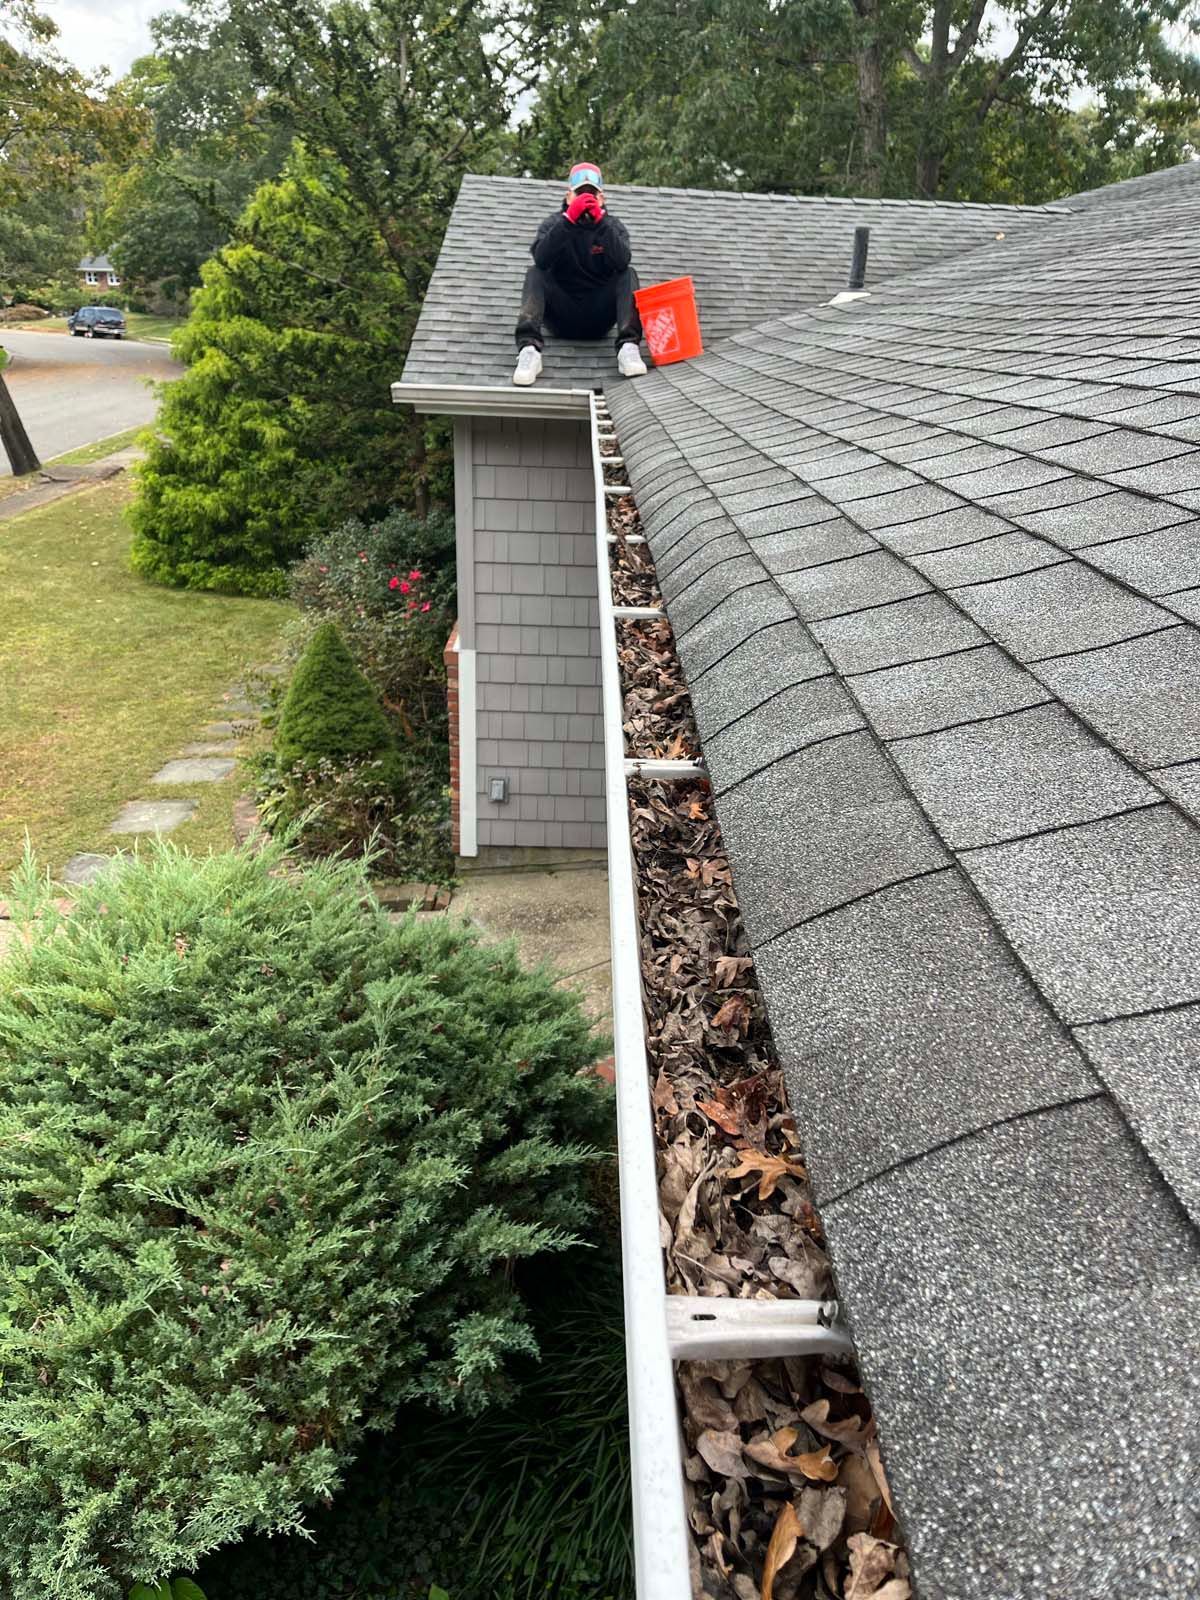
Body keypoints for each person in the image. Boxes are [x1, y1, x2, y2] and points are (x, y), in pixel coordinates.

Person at [513, 161, 648, 386]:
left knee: (628, 274)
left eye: (592, 195)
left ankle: (628, 347)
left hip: (598, 317)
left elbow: (622, 261)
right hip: (561, 317)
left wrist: (601, 223)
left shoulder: (612, 226)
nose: (586, 199)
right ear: (569, 197)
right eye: (580, 194)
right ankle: (529, 350)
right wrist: (568, 221)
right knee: (535, 272)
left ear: (601, 199)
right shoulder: (553, 224)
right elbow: (542, 258)